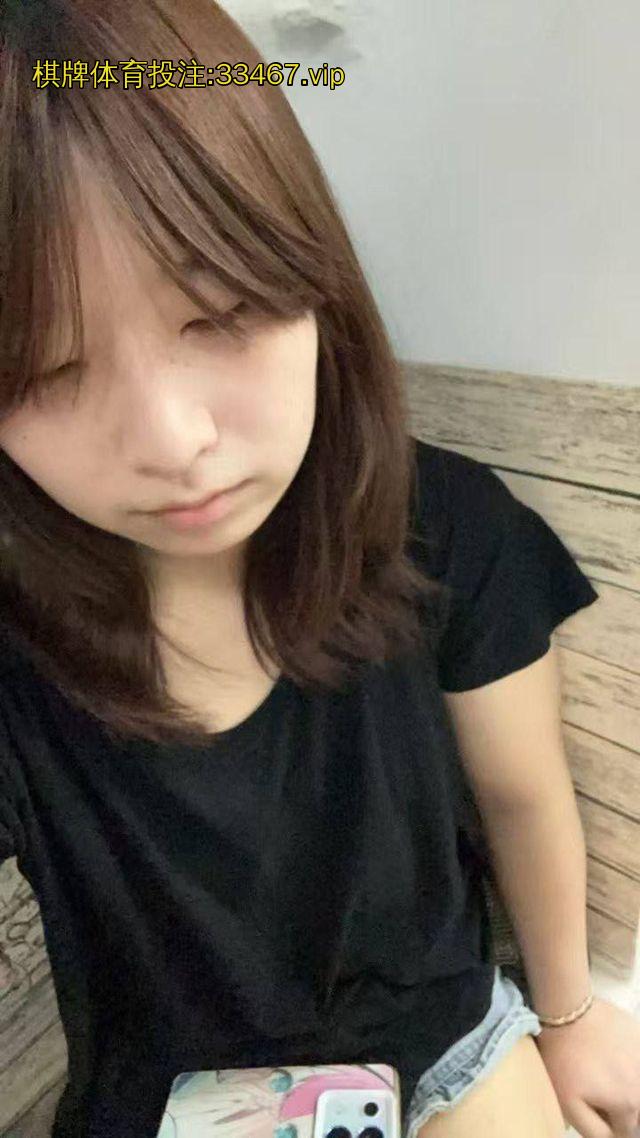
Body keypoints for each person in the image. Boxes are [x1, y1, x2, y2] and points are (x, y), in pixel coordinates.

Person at [0, 2, 639, 1137]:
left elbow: (522, 793)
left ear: (309, 276)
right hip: (165, 1104)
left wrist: (570, 1011)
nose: (173, 440)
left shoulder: (445, 524)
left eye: (222, 312)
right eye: (46, 369)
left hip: (443, 1044)